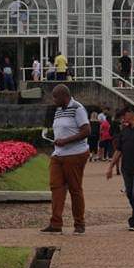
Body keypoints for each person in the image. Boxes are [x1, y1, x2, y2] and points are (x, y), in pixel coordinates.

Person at [41, 84, 90, 235]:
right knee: (56, 188)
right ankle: (56, 223)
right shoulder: (58, 111)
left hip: (75, 154)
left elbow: (87, 130)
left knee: (75, 189)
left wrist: (66, 140)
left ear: (64, 96)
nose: (53, 100)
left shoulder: (77, 108)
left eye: (55, 97)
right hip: (58, 154)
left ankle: (79, 224)